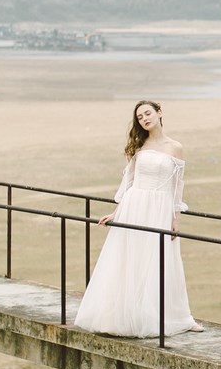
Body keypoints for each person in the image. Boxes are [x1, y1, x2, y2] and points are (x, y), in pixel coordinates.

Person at [74, 100, 203, 337]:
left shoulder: (175, 147)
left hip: (160, 207)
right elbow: (130, 181)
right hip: (135, 205)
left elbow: (177, 185)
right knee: (129, 259)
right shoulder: (139, 145)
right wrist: (116, 212)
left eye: (148, 113)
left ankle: (178, 317)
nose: (144, 118)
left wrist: (176, 217)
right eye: (140, 117)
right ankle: (125, 316)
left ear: (159, 113)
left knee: (162, 260)